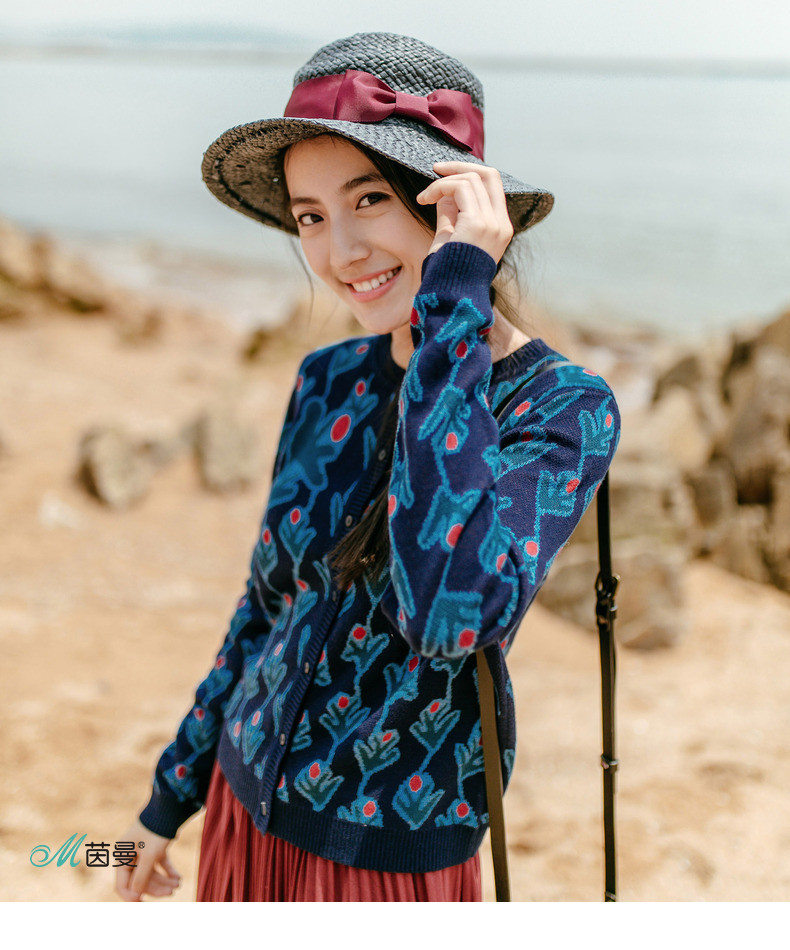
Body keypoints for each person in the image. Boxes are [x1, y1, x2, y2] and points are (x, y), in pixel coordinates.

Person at [115, 32, 620, 903]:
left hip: (388, 857)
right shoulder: (327, 379)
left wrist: (454, 298)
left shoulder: (560, 407)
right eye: (310, 216)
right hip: (240, 803)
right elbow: (266, 609)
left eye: (371, 199)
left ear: (456, 208)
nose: (339, 251)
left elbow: (449, 611)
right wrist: (166, 802)